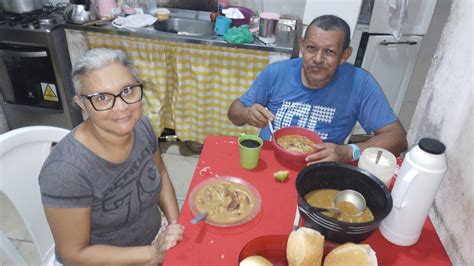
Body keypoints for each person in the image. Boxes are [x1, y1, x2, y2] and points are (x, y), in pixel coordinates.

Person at [38, 48, 184, 265]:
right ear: (82, 104)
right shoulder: (65, 171)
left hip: (153, 242)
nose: (122, 107)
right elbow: (74, 253)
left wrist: (175, 226)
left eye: (127, 90)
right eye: (102, 98)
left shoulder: (141, 126)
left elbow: (160, 173)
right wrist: (152, 255)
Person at [227, 15, 407, 163]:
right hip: (269, 159)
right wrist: (247, 114)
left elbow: (398, 138)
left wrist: (348, 152)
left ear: (345, 55)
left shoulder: (360, 83)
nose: (318, 59)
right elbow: (234, 111)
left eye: (329, 52)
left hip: (318, 168)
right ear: (303, 46)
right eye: (312, 48)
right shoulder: (277, 72)